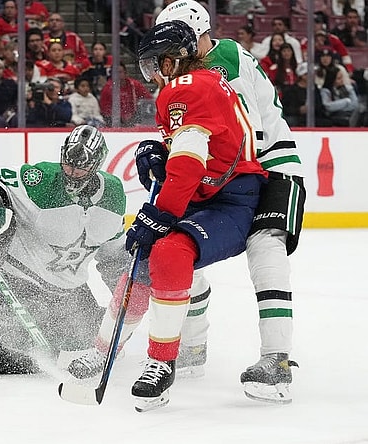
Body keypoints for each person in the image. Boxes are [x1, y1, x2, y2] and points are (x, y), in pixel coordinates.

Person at [71, 1, 306, 406]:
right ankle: (188, 349)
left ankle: (277, 360)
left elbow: (214, 128)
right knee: (171, 253)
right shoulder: (185, 79)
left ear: (193, 37)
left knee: (266, 250)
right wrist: (161, 149)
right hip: (215, 176)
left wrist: (172, 174)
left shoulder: (219, 61)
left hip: (268, 164)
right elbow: (194, 136)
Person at [126, 19, 266, 412]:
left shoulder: (186, 87)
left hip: (229, 198)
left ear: (171, 62)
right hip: (208, 193)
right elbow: (191, 146)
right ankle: (109, 349)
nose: (150, 74)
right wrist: (158, 151)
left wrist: (160, 213)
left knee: (167, 251)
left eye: (154, 64)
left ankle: (163, 359)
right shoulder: (200, 83)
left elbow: (191, 163)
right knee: (150, 258)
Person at [0, 124, 128, 379]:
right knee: (30, 352)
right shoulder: (40, 180)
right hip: (18, 277)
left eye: (80, 167)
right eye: (67, 163)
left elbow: (114, 255)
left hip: (70, 288)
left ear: (97, 165)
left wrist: (124, 291)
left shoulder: (113, 195)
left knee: (94, 338)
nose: (71, 172)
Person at [98, 61, 152, 127]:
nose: (117, 75)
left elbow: (148, 99)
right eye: (115, 73)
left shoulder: (134, 85)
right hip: (115, 121)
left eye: (120, 72)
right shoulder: (107, 88)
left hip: (134, 118)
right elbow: (105, 110)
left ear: (125, 73)